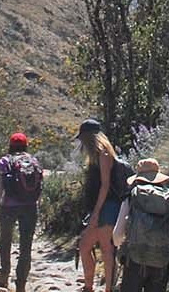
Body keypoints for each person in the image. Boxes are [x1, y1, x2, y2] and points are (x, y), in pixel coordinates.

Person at [112, 158, 169, 292]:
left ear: (138, 178)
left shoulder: (132, 196)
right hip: (161, 260)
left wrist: (123, 246)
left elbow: (117, 236)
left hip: (134, 259)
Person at [0, 132, 43, 292]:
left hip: (9, 207)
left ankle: (4, 276)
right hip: (30, 207)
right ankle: (21, 285)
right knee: (26, 246)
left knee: (5, 240)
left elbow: (0, 187)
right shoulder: (33, 161)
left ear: (10, 145)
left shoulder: (5, 161)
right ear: (26, 145)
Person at [76, 119, 123, 292]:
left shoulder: (103, 154)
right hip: (100, 207)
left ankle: (107, 288)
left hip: (108, 207)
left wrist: (96, 213)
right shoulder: (96, 155)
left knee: (105, 249)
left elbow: (105, 185)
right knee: (85, 245)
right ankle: (89, 287)